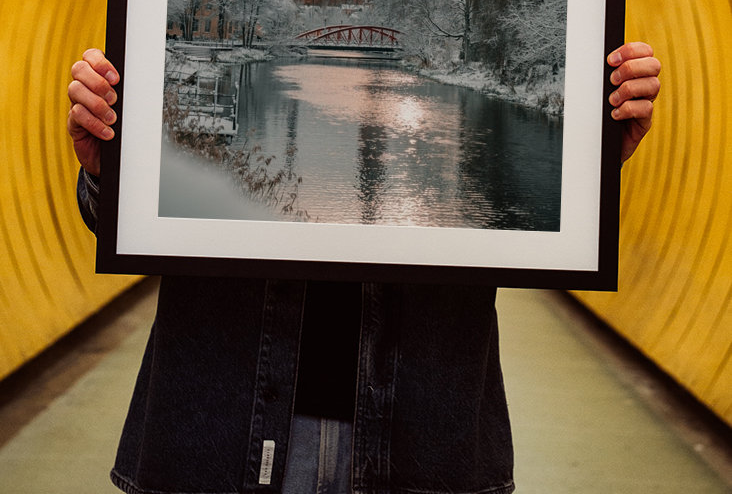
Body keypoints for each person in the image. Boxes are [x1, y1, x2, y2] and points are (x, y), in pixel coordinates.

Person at [68, 42, 661, 494]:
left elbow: (526, 224)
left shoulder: (425, 152)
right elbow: (120, 223)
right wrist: (111, 173)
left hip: (422, 441)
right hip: (218, 429)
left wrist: (583, 168)